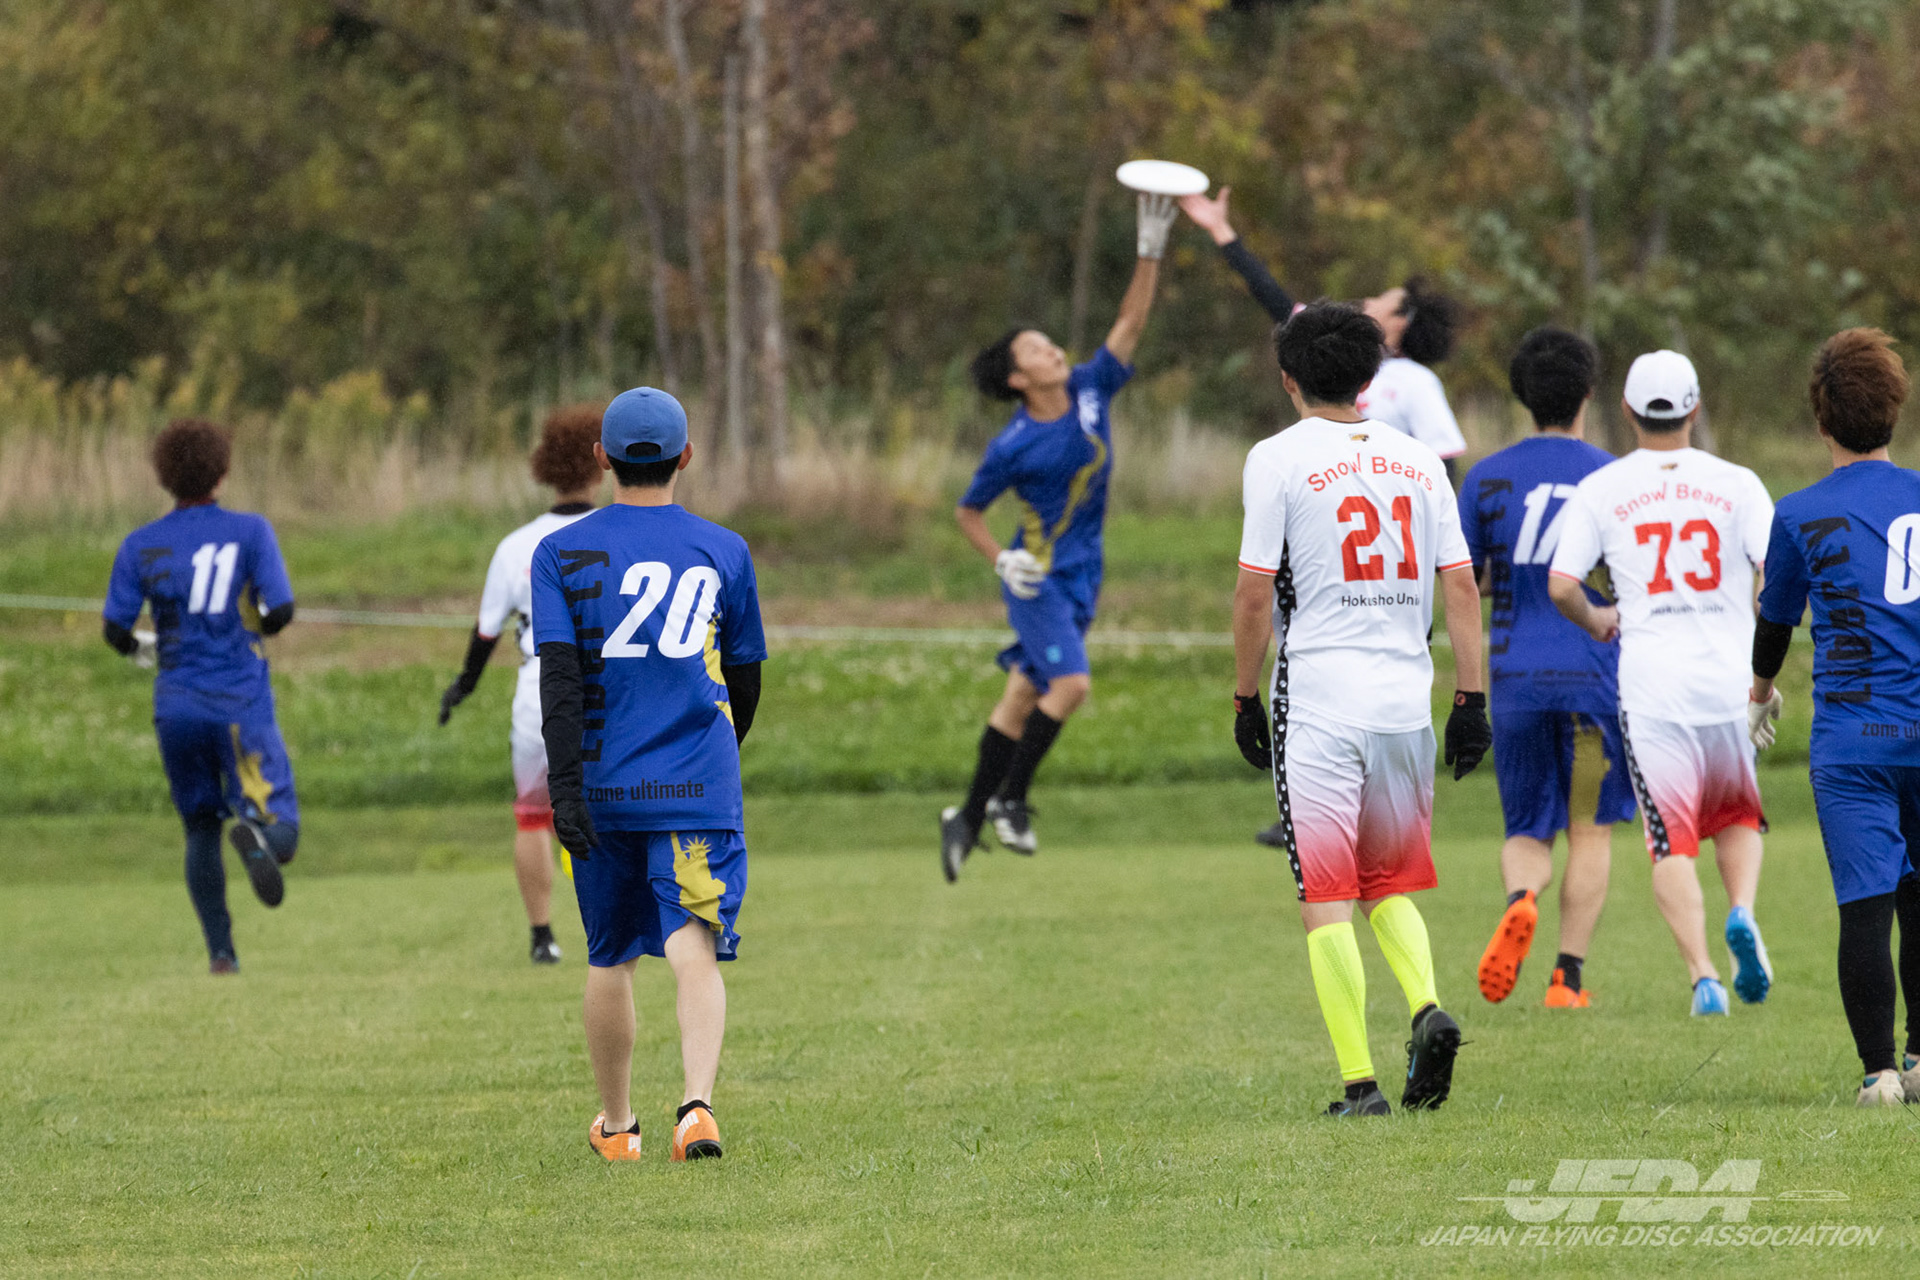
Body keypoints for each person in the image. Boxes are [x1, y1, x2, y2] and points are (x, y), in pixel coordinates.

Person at [1231, 302, 1491, 1117]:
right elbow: (1461, 586)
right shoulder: (1419, 461)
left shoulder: (1276, 458)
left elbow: (1253, 594)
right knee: (1386, 881)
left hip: (1320, 701)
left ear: (1289, 378)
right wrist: (1471, 699)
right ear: (1371, 378)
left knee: (1326, 894)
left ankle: (1359, 1085)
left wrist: (1243, 695)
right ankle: (1426, 1006)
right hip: (1404, 705)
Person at [531, 387, 766, 1163]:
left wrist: (566, 787)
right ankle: (696, 1109)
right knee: (693, 945)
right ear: (685, 455)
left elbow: (560, 684)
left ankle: (618, 1127)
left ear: (601, 458)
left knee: (609, 957)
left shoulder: (559, 552)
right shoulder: (725, 549)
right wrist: (715, 757)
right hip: (697, 787)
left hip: (603, 789)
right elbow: (745, 679)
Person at [937, 190, 1176, 880]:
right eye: (1038, 349)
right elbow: (967, 512)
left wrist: (1149, 251)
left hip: (1083, 575)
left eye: (1050, 342)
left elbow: (1130, 321)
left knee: (1021, 696)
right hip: (1037, 580)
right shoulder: (1012, 445)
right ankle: (1010, 800)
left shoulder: (1091, 387)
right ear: (1019, 377)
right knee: (1069, 685)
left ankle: (967, 817)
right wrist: (1001, 561)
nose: (1053, 349)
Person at [1548, 350, 1774, 1017]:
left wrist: (1597, 619)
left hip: (1652, 687)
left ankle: (1704, 975)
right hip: (1727, 677)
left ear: (1626, 410)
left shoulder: (1603, 488)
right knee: (1737, 814)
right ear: (1694, 408)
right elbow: (1774, 573)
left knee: (1671, 837)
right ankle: (1742, 910)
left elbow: (1561, 584)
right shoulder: (1738, 482)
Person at [1750, 328, 1920, 1106]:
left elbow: (1775, 623)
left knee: (1866, 903)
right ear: (1895, 409)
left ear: (1821, 420)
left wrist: (1760, 693)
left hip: (1853, 741)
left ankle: (1879, 1072)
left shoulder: (1798, 513)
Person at [1460, 328, 1635, 1009]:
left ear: (1521, 395)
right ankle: (1567, 978)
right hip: (1593, 682)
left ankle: (1521, 899)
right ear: (1590, 392)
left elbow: (1467, 580)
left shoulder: (1488, 478)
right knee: (1588, 828)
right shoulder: (1615, 478)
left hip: (1517, 684)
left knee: (1526, 828)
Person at [102, 419, 299, 973]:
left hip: (177, 706)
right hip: (239, 701)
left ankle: (221, 954)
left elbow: (114, 629)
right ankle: (260, 838)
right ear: (222, 471)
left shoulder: (141, 544)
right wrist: (257, 623)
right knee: (281, 829)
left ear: (164, 476)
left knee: (199, 827)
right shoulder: (250, 531)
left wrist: (139, 647)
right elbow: (281, 610)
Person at [438, 406, 603, 965]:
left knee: (534, 814)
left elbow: (485, 634)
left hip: (540, 689)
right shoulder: (618, 536)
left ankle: (542, 937)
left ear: (544, 466)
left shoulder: (516, 546)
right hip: (609, 688)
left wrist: (461, 687)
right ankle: (618, 925)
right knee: (613, 804)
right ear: (601, 463)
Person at [1178, 186, 1468, 472]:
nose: (1369, 300)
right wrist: (1220, 230)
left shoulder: (1416, 382)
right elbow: (1271, 296)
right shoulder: (1338, 346)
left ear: (1399, 321)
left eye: (1381, 299)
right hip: (1327, 488)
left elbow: (1444, 462)